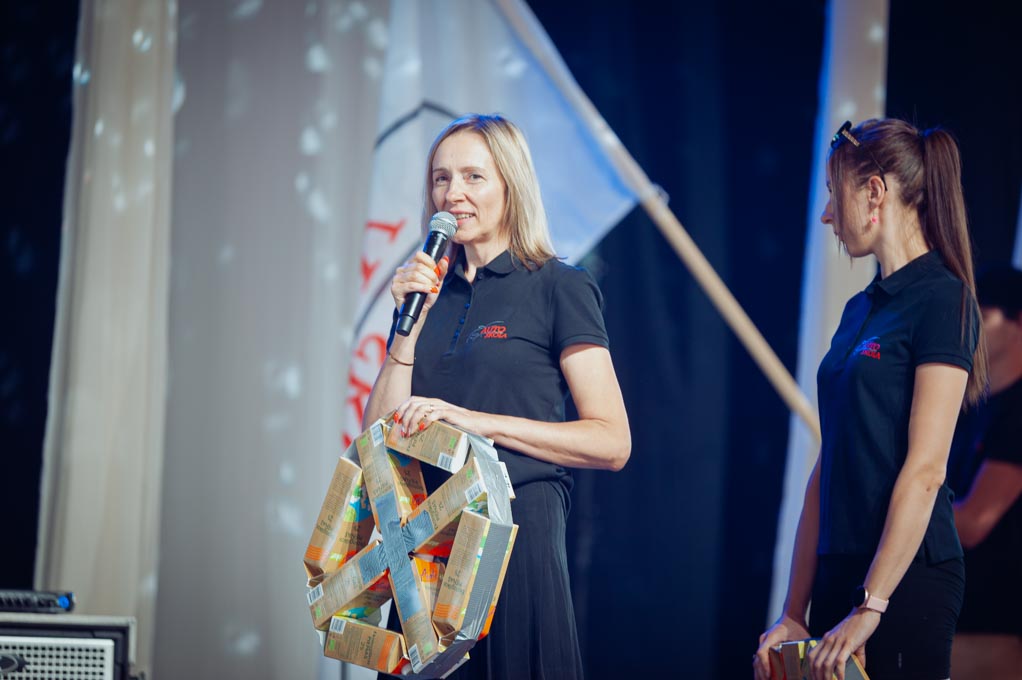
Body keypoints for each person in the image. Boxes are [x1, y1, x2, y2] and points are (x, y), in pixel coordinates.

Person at [362, 113, 631, 679]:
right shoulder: (426, 295)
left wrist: (474, 422)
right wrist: (406, 330)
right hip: (427, 543)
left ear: (511, 186)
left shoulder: (558, 286)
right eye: (441, 178)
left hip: (515, 532)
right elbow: (378, 444)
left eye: (472, 177)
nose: (452, 193)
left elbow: (611, 442)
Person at [753, 118, 986, 680]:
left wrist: (872, 604)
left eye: (833, 194)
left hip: (905, 577)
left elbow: (927, 470)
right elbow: (828, 464)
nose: (826, 214)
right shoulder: (860, 308)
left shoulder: (944, 299)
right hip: (840, 568)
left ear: (874, 191)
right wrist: (793, 611)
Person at [948, 265, 1022, 679]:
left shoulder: (1017, 413)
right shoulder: (974, 408)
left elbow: (974, 521)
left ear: (1018, 322)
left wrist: (898, 497)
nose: (969, 330)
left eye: (982, 316)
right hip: (960, 613)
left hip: (998, 628)